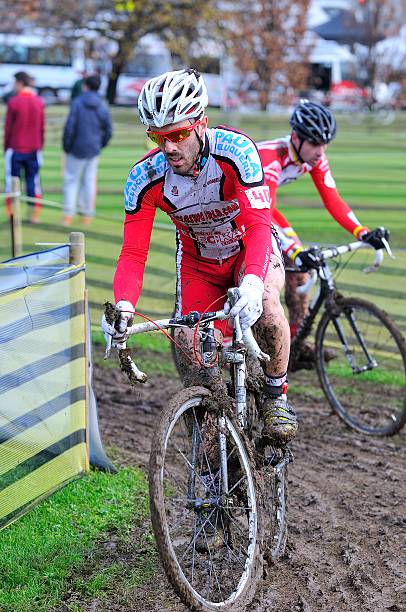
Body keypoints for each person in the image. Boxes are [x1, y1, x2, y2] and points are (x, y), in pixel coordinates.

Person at [102, 68, 296, 445]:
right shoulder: (145, 179)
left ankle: (275, 396)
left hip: (249, 253)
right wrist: (124, 305)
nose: (169, 147)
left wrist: (254, 283)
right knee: (190, 349)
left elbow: (259, 225)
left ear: (201, 124)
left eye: (177, 134)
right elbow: (133, 252)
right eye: (158, 137)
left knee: (269, 311)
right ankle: (211, 450)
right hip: (199, 266)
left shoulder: (237, 152)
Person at [257, 99, 390, 364]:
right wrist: (294, 250)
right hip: (236, 209)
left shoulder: (313, 159)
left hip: (263, 208)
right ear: (296, 138)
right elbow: (263, 212)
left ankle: (292, 347)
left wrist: (362, 232)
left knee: (299, 274)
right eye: (315, 143)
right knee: (259, 275)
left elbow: (333, 200)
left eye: (325, 144)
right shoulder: (270, 159)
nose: (321, 151)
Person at [62, 74, 112, 226]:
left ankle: (68, 215)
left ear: (86, 86)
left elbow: (70, 127)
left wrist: (66, 146)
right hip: (93, 149)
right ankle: (87, 215)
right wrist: (100, 144)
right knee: (89, 182)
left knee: (71, 181)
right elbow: (108, 130)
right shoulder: (101, 104)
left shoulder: (77, 102)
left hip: (76, 148)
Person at [4, 71, 45, 224]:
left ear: (20, 83)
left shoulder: (14, 102)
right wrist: (40, 146)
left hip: (16, 148)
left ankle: (12, 215)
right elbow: (41, 128)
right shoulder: (39, 102)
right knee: (32, 182)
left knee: (12, 182)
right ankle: (33, 215)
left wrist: (6, 147)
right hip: (34, 148)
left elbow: (8, 128)